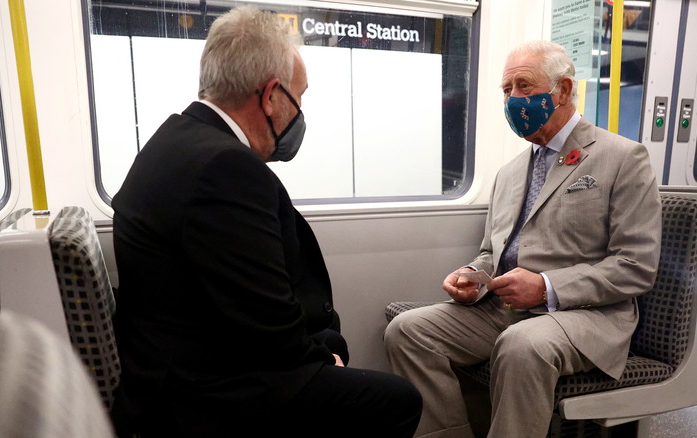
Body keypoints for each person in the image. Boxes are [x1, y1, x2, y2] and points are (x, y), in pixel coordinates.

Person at [110, 7, 421, 437]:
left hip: (181, 357)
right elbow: (265, 321)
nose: (300, 113)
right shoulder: (225, 167)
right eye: (300, 97)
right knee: (398, 401)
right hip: (204, 391)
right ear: (271, 94)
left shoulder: (174, 139)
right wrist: (316, 360)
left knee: (331, 344)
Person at [384, 40, 662, 438]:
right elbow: (491, 252)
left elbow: (636, 266)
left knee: (521, 344)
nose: (513, 99)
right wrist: (472, 274)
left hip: (586, 315)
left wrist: (546, 287)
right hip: (504, 309)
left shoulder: (622, 157)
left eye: (524, 86)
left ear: (563, 91)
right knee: (409, 332)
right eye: (506, 90)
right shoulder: (510, 172)